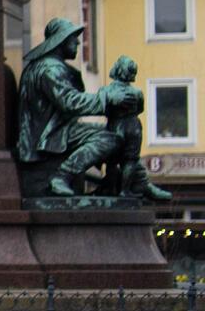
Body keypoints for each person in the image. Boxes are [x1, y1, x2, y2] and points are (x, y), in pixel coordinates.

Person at [16, 18, 120, 197]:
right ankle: (62, 176)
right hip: (47, 136)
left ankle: (112, 184)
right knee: (109, 139)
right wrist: (106, 99)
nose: (78, 42)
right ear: (61, 40)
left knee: (117, 133)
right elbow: (70, 102)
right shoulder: (50, 68)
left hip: (53, 131)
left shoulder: (46, 66)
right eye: (73, 38)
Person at [99, 56, 173, 202]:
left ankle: (111, 189)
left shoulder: (106, 90)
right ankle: (125, 191)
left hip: (114, 126)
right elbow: (140, 109)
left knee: (112, 160)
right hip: (133, 126)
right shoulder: (137, 93)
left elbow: (102, 108)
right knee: (130, 160)